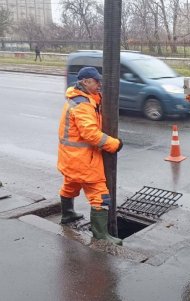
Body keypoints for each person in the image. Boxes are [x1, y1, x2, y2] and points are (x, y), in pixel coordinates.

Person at [57, 66, 123, 245]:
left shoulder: (79, 99)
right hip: (83, 160)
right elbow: (91, 134)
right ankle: (101, 236)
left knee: (70, 185)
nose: (100, 84)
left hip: (71, 158)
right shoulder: (83, 105)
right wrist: (114, 144)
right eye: (96, 81)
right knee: (100, 195)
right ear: (85, 82)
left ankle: (67, 215)